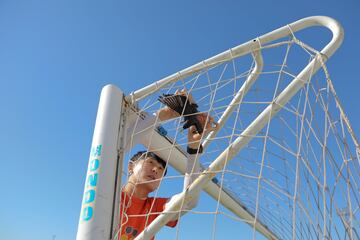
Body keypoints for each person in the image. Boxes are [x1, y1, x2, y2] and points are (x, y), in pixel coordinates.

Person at [117, 90, 217, 240]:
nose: (156, 169)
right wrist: (166, 113)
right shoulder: (110, 192)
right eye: (150, 162)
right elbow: (117, 147)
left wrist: (194, 147)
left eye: (161, 170)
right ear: (130, 166)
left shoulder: (155, 208)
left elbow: (190, 201)